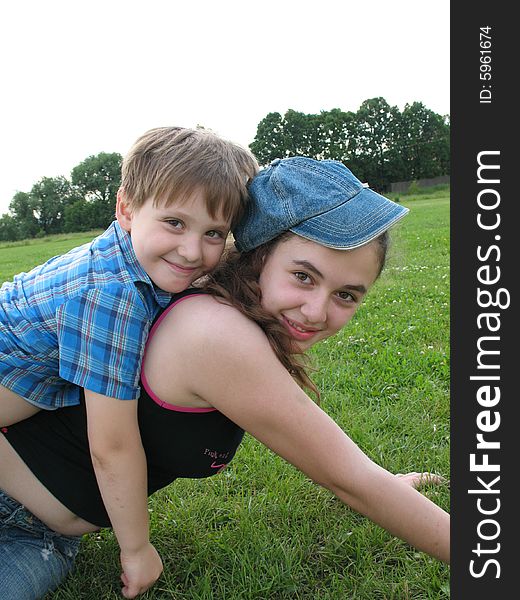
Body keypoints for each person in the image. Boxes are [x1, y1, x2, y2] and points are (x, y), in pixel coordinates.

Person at [0, 157, 449, 599]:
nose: (317, 312)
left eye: (346, 295)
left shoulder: (207, 300)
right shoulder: (210, 332)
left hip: (41, 535)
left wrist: (383, 487)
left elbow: (330, 454)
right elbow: (349, 479)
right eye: (303, 276)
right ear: (257, 258)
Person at [0, 126, 258, 596]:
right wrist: (136, 549)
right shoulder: (112, 297)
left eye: (214, 233)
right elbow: (112, 444)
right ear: (126, 208)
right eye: (175, 223)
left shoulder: (137, 265)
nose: (192, 250)